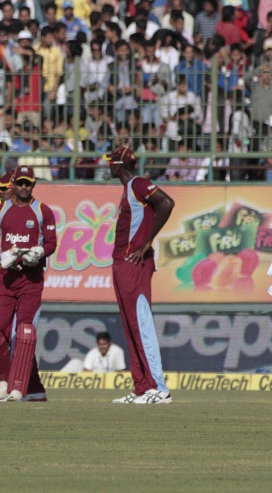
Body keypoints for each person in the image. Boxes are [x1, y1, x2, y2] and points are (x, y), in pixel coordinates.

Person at [0, 165, 57, 402]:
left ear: (34, 184)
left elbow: (52, 242)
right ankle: (2, 383)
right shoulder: (1, 210)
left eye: (28, 183)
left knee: (25, 332)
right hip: (5, 278)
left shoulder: (43, 211)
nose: (24, 187)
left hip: (30, 279)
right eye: (20, 182)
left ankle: (18, 387)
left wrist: (39, 253)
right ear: (13, 184)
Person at [107, 146, 174, 404]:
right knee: (130, 325)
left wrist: (147, 242)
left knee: (141, 323)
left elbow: (166, 203)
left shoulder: (137, 184)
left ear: (118, 166)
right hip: (123, 263)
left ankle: (159, 386)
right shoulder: (129, 189)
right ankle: (142, 386)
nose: (109, 167)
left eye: (111, 163)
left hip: (133, 264)